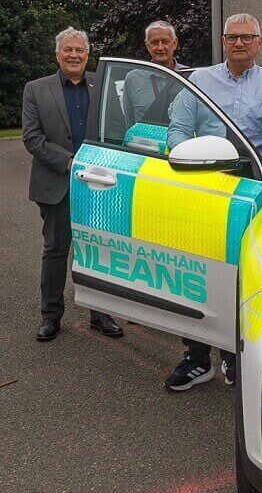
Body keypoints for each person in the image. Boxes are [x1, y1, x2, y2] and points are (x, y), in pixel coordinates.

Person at [164, 13, 262, 392]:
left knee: (242, 273)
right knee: (198, 273)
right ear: (222, 40)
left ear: (260, 42)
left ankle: (236, 354)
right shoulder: (199, 81)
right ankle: (196, 356)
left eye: (247, 37)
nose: (239, 43)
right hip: (205, 189)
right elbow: (178, 132)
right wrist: (187, 157)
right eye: (233, 37)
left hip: (251, 193)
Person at [21, 27, 124, 342]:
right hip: (57, 183)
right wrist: (71, 163)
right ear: (57, 54)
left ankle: (100, 313)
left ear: (87, 53)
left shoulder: (101, 84)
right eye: (68, 49)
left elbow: (117, 129)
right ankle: (51, 316)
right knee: (56, 250)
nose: (74, 55)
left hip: (98, 185)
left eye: (80, 49)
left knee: (98, 250)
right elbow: (32, 138)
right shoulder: (36, 89)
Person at [122, 20, 189, 126]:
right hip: (144, 142)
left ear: (175, 43)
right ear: (147, 45)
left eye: (165, 41)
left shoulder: (189, 76)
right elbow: (129, 123)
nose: (160, 47)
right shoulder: (133, 78)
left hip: (181, 142)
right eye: (154, 42)